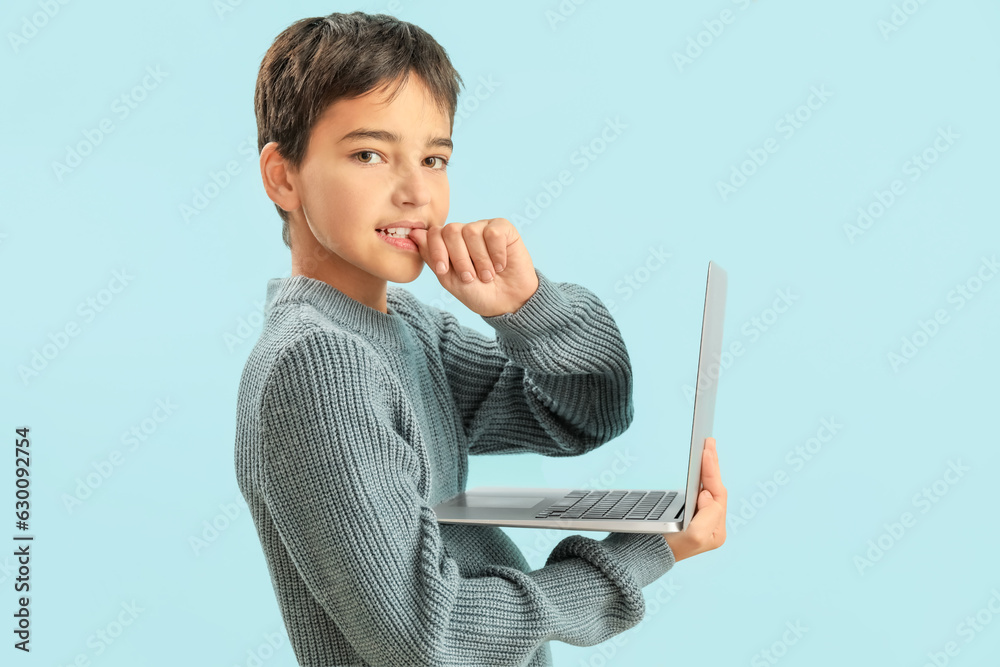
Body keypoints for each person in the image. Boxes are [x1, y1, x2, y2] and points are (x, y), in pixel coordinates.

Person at [233, 11, 727, 667]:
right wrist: (641, 555)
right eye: (368, 154)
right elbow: (425, 640)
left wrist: (531, 309)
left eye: (433, 158)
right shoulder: (319, 362)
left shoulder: (405, 328)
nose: (416, 193)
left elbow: (586, 414)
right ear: (283, 176)